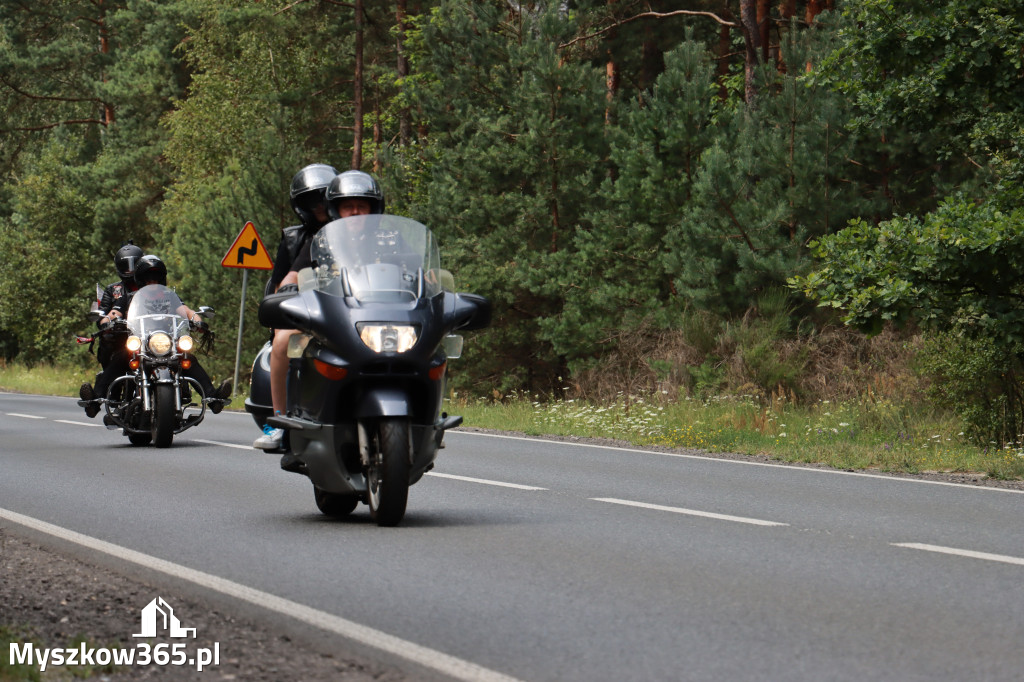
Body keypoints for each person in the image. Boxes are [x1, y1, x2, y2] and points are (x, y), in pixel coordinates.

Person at [253, 170, 385, 465]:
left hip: (375, 315)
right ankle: (278, 421)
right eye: (349, 206)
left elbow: (413, 268)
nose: (355, 212)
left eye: (361, 206)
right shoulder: (322, 241)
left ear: (373, 209)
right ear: (337, 209)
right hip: (329, 316)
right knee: (282, 342)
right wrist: (288, 287)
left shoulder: (387, 238)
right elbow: (291, 275)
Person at [79, 255, 231, 417]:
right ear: (141, 280)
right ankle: (94, 401)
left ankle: (213, 398)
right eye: (148, 278)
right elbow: (114, 312)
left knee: (188, 359)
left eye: (156, 278)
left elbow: (186, 311)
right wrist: (107, 321)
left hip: (167, 341)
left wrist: (197, 320)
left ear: (162, 279)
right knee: (120, 358)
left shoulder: (170, 297)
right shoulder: (130, 298)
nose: (152, 281)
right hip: (142, 342)